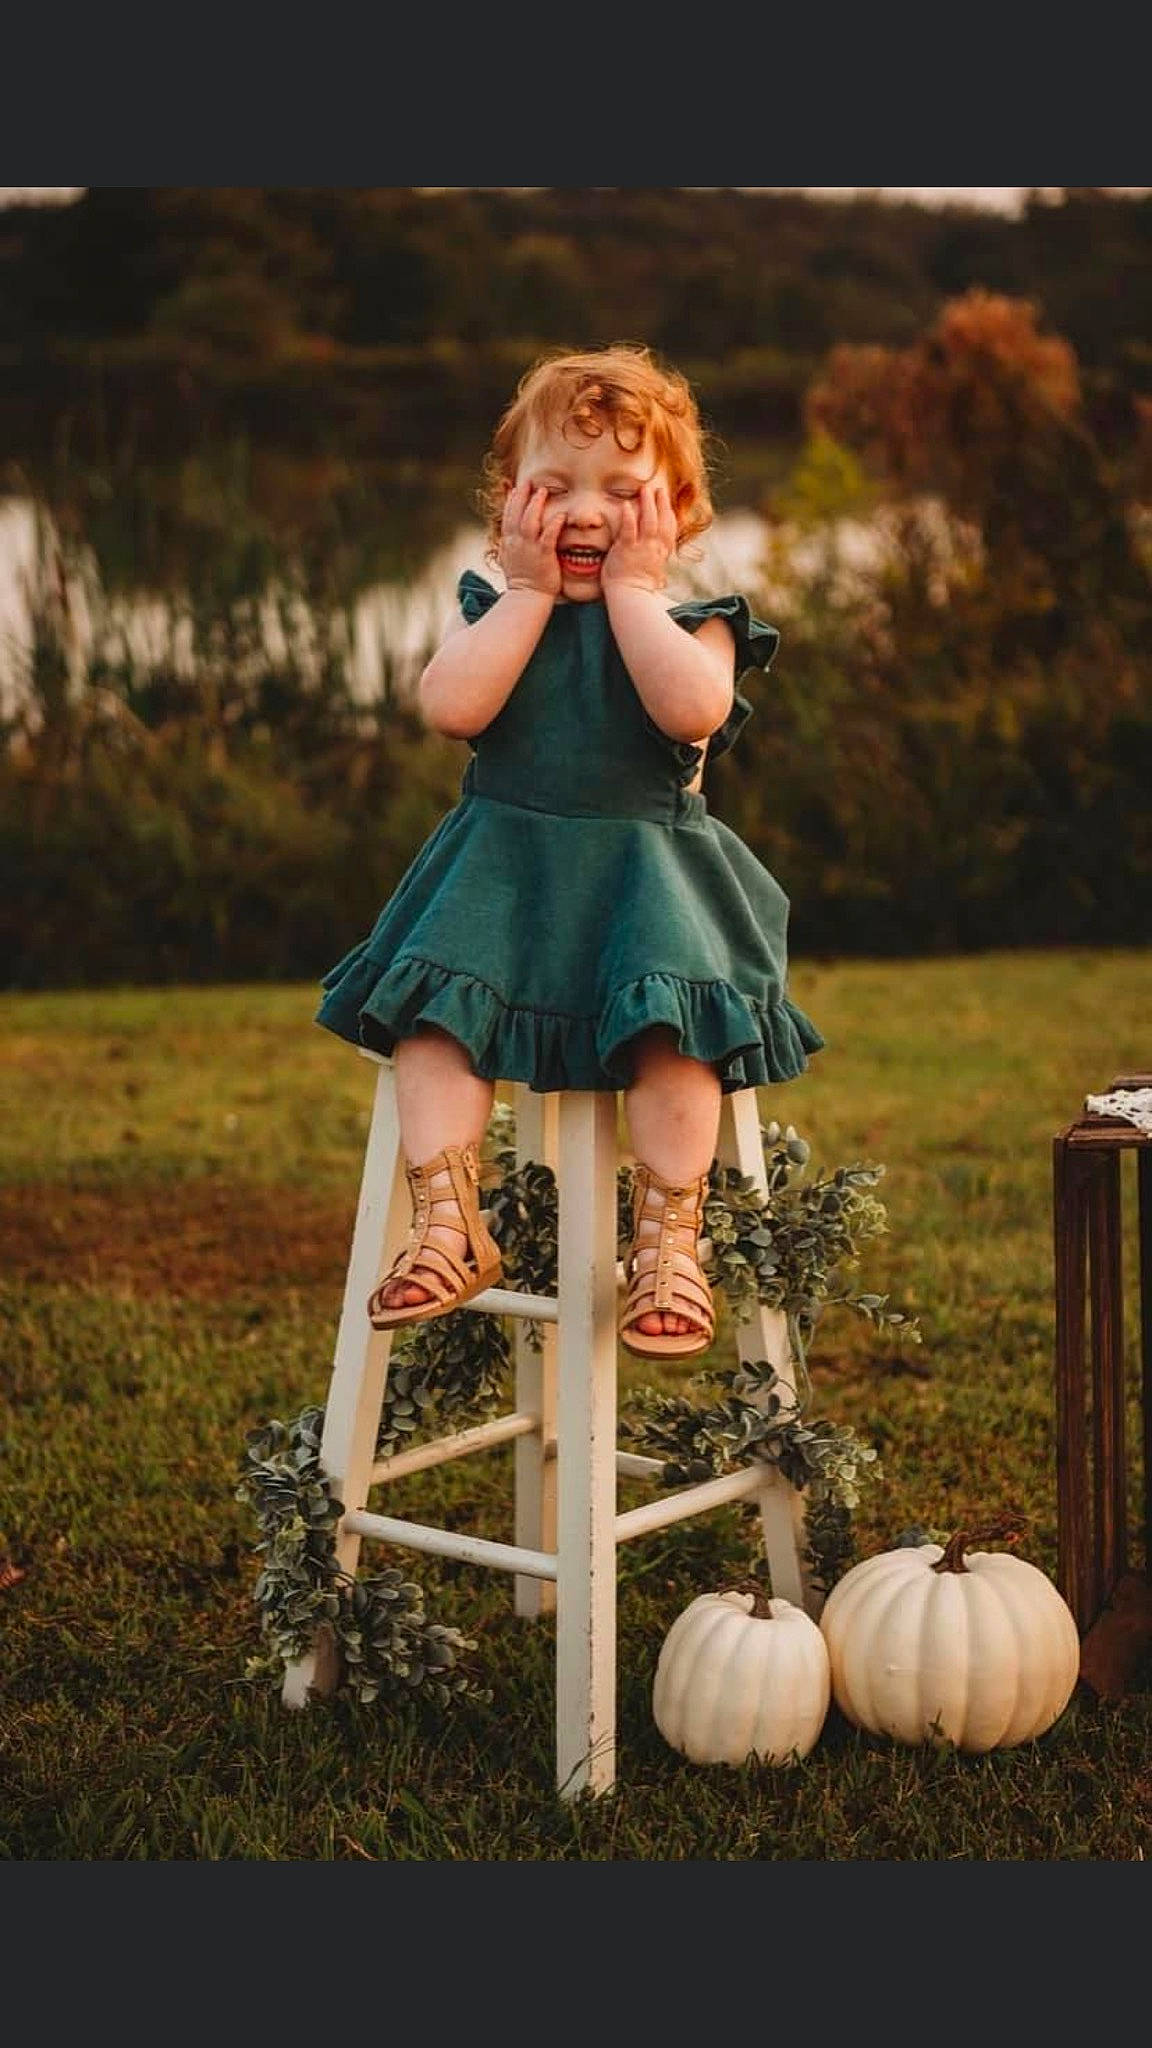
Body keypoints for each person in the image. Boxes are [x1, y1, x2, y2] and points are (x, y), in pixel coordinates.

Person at [315, 344, 825, 1360]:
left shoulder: (699, 628)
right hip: (499, 889)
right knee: (431, 1024)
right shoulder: (496, 614)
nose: (587, 515)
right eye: (553, 491)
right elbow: (449, 706)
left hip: (650, 898)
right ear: (510, 507)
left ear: (677, 510)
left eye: (623, 494)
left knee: (678, 1043)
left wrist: (635, 594)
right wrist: (526, 592)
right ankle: (449, 1220)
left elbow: (692, 710)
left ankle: (669, 1239)